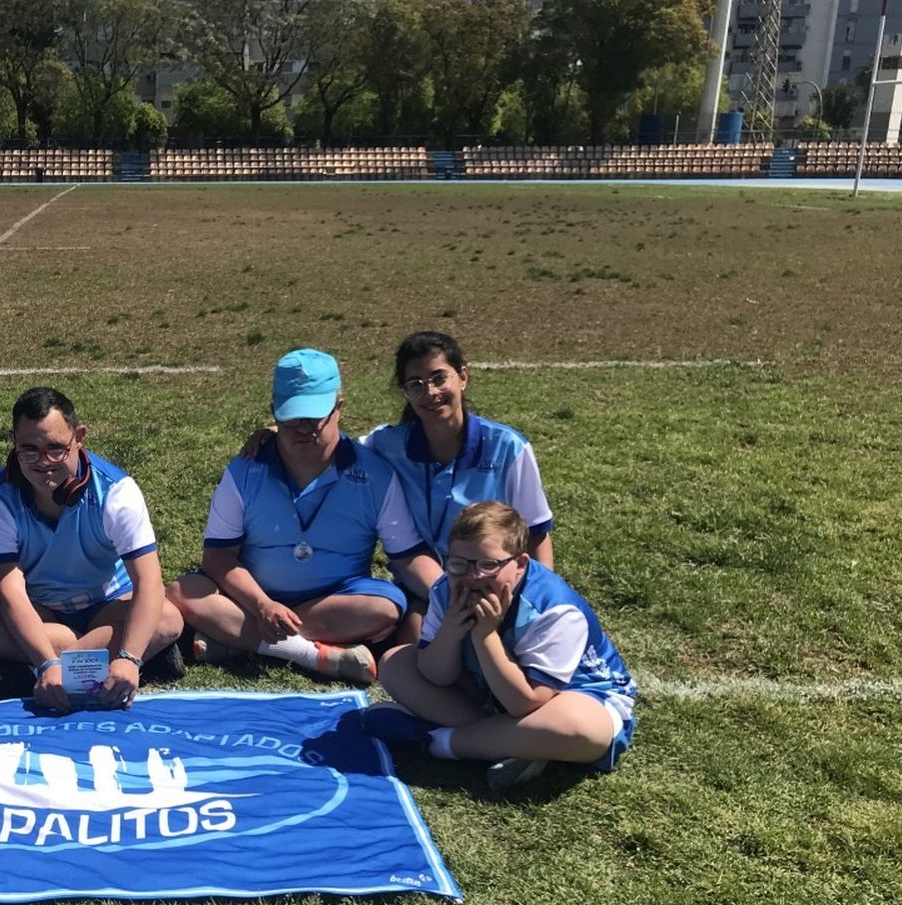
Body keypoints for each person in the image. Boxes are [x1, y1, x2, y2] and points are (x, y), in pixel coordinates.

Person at [241, 331, 554, 644]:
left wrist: (536, 600)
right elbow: (335, 447)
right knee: (418, 647)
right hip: (424, 587)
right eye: (415, 384)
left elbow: (537, 535)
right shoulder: (388, 444)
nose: (429, 392)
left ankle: (245, 636)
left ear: (462, 377)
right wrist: (282, 428)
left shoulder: (508, 448)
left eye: (438, 378)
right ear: (405, 392)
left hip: (493, 583)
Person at [167, 348, 436, 683]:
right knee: (183, 591)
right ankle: (314, 655)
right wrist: (263, 605)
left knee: (386, 606)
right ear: (273, 412)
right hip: (253, 598)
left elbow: (407, 555)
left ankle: (242, 641)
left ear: (340, 406)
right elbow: (218, 556)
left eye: (314, 417)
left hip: (336, 600)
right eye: (290, 417)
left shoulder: (376, 475)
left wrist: (447, 591)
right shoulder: (245, 471)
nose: (301, 428)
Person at [377, 502, 635, 791]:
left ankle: (439, 741)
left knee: (580, 729)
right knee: (395, 664)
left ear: (521, 563)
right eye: (459, 563)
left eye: (489, 565)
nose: (473, 577)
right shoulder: (445, 589)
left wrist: (485, 637)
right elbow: (436, 675)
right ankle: (516, 746)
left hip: (569, 699)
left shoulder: (553, 608)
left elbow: (524, 703)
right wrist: (450, 632)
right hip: (493, 694)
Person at [0, 386, 183, 712]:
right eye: (29, 450)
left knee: (167, 619)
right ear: (13, 440)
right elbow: (10, 591)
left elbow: (149, 582)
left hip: (108, 603)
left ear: (79, 437)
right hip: (42, 610)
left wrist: (126, 657)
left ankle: (32, 673)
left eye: (56, 448)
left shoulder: (116, 491)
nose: (44, 463)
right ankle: (141, 656)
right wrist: (46, 662)